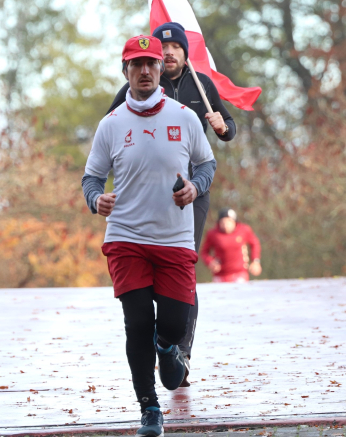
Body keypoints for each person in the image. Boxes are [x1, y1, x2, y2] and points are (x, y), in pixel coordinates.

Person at [83, 34, 216, 437]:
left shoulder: (185, 117)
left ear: (161, 70)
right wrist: (96, 200)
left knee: (173, 323)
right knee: (137, 321)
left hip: (174, 239)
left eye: (151, 64)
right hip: (125, 237)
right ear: (126, 71)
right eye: (136, 65)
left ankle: (167, 347)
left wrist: (195, 187)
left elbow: (206, 166)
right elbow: (91, 178)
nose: (144, 71)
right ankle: (149, 409)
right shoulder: (111, 125)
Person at [105, 22, 236, 384]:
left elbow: (228, 128)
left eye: (176, 47)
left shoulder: (201, 85)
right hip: (146, 198)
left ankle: (180, 349)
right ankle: (157, 337)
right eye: (164, 48)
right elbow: (110, 130)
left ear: (184, 53)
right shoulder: (136, 87)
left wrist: (222, 126)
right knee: (149, 279)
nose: (169, 52)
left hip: (193, 190)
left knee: (183, 265)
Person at [201, 208, 262, 283]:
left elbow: (255, 244)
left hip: (240, 274)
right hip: (220, 276)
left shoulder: (244, 230)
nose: (226, 224)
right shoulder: (213, 234)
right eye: (223, 222)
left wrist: (255, 261)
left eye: (229, 221)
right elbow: (204, 252)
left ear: (235, 222)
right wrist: (210, 262)